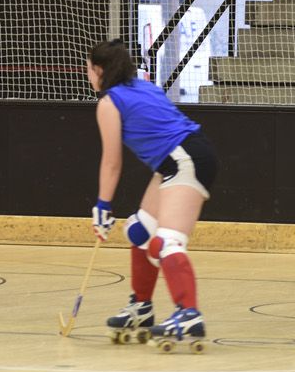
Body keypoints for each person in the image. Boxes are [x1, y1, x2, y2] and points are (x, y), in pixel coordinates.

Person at [85, 40, 218, 349]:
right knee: (140, 230)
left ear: (100, 71)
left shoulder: (108, 103)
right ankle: (141, 308)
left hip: (185, 160)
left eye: (89, 69)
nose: (87, 75)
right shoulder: (143, 86)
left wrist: (103, 207)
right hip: (181, 157)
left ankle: (188, 314)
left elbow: (112, 162)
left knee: (166, 241)